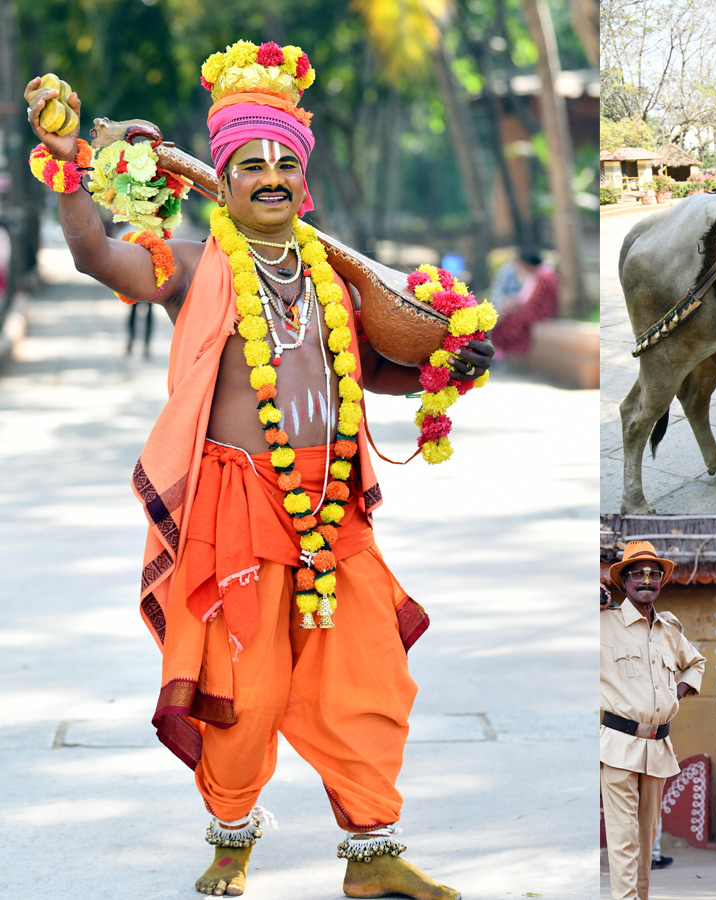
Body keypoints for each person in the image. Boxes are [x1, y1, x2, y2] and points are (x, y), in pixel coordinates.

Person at [24, 42, 493, 900]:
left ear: (303, 181)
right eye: (251, 164)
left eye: (285, 162)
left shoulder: (336, 281)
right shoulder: (195, 268)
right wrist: (70, 172)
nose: (271, 175)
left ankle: (374, 856)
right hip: (238, 508)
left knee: (370, 682)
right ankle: (232, 841)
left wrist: (447, 366)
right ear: (227, 180)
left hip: (334, 507)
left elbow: (378, 373)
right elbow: (98, 257)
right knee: (244, 690)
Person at [601, 541, 705, 900]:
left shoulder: (669, 628)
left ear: (660, 581)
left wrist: (679, 691)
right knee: (624, 836)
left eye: (653, 574)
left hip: (658, 746)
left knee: (647, 837)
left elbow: (695, 663)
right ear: (623, 582)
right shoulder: (602, 621)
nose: (647, 580)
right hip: (617, 744)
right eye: (638, 574)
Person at [489, 248, 559, 357]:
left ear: (526, 263)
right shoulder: (539, 274)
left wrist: (515, 307)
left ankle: (501, 354)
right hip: (533, 309)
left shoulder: (543, 276)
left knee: (506, 323)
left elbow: (534, 301)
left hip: (540, 313)